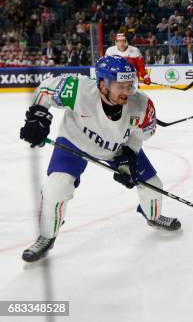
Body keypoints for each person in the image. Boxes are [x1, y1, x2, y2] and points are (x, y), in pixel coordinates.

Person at [18, 56, 181, 263]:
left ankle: (154, 216)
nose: (127, 91)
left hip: (116, 150)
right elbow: (46, 90)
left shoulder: (142, 105)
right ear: (102, 85)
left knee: (153, 185)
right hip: (74, 142)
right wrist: (38, 115)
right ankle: (47, 236)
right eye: (120, 86)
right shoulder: (79, 89)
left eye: (130, 85)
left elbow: (140, 136)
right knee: (56, 187)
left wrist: (129, 154)